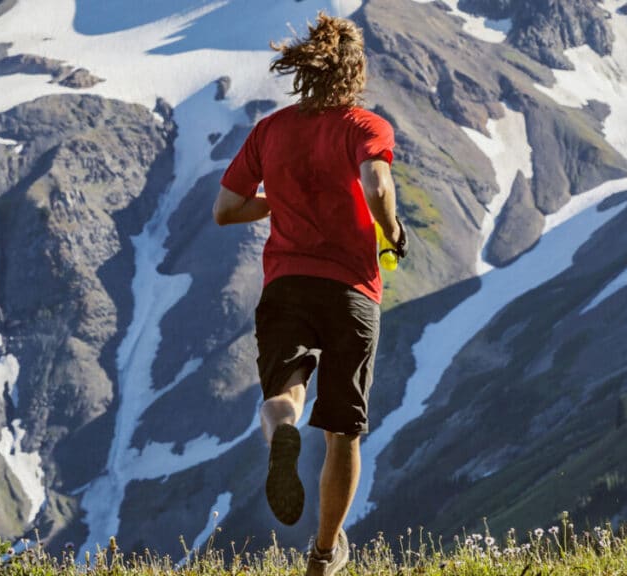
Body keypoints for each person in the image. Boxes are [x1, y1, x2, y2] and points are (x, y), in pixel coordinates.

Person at [212, 12, 406, 576]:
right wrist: (393, 230)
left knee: (285, 392)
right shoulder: (366, 126)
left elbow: (225, 209)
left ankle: (283, 432)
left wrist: (278, 199)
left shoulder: (270, 131)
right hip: (351, 290)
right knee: (344, 430)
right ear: (355, 71)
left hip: (287, 285)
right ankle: (324, 553)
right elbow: (377, 185)